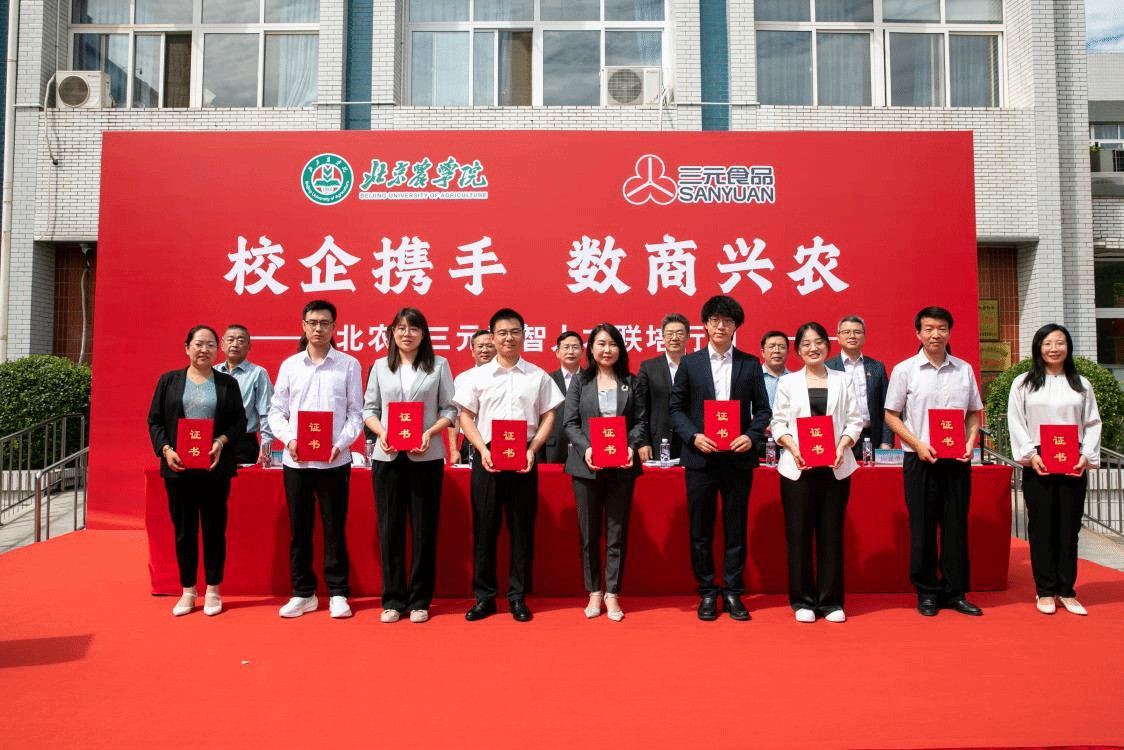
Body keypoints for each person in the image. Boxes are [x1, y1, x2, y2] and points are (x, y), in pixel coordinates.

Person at [454, 308, 565, 622]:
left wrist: (533, 449)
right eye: (502, 332)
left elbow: (549, 415)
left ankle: (518, 597)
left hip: (524, 457)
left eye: (515, 332)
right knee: (484, 528)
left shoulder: (537, 376)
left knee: (521, 529)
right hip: (487, 456)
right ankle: (484, 597)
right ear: (492, 337)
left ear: (524, 335)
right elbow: (465, 416)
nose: (508, 338)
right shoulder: (476, 377)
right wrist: (480, 449)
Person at [670, 295, 772, 621]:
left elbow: (763, 410)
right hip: (700, 459)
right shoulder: (690, 363)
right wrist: (693, 436)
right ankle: (706, 592)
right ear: (705, 324)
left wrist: (752, 436)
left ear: (736, 326)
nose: (720, 326)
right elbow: (676, 409)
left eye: (727, 321)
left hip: (738, 460)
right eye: (714, 320)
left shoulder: (749, 364)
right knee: (700, 529)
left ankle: (732, 592)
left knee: (735, 528)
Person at [885, 306, 984, 617]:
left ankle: (956, 592)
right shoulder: (905, 370)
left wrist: (970, 442)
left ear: (949, 332)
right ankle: (926, 592)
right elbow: (891, 415)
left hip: (957, 460)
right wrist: (917, 443)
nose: (935, 334)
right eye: (928, 329)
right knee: (923, 528)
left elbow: (973, 412)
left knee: (955, 527)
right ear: (918, 333)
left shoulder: (964, 370)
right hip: (920, 460)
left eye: (941, 328)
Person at [268, 300, 364, 619]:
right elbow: (276, 411)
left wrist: (341, 443)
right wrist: (290, 439)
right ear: (303, 326)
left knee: (334, 528)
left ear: (334, 327)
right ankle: (303, 593)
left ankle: (338, 593)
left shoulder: (349, 365)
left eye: (325, 323)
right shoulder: (290, 366)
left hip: (335, 461)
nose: (318, 328)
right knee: (300, 529)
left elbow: (356, 412)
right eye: (313, 322)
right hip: (296, 461)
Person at [363, 308, 456, 624]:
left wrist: (430, 432)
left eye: (414, 328)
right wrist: (382, 432)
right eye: (400, 328)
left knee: (423, 530)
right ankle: (392, 600)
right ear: (392, 332)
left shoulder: (439, 365)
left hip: (425, 457)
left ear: (423, 333)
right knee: (390, 530)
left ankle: (419, 601)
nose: (407, 334)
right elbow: (369, 409)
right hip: (388, 456)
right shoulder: (380, 366)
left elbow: (450, 410)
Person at [147, 325, 247, 617]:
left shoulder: (227, 384)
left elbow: (239, 422)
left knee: (214, 529)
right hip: (178, 468)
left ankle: (213, 589)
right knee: (184, 531)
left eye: (211, 344)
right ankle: (188, 590)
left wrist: (221, 441)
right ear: (187, 347)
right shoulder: (169, 381)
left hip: (214, 468)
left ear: (218, 349)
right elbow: (155, 421)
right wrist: (166, 449)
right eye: (199, 344)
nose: (204, 349)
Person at [770, 322, 863, 623]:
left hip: (835, 467)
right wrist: (793, 448)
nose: (813, 348)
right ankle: (803, 601)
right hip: (797, 468)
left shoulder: (843, 380)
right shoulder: (788, 382)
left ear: (828, 346)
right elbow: (778, 422)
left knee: (831, 535)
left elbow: (855, 420)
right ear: (797, 351)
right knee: (798, 536)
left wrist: (843, 445)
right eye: (806, 344)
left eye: (819, 342)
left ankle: (831, 601)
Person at [1007, 323, 1101, 616]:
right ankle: (1046, 590)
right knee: (1042, 527)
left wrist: (1086, 455)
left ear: (1068, 348)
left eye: (1060, 343)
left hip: (1073, 460)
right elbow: (1016, 421)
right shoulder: (1024, 383)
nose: (1054, 349)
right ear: (1038, 347)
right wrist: (1029, 454)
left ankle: (1067, 591)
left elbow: (1092, 422)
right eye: (1047, 343)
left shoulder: (1081, 384)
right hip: (1039, 460)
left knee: (1069, 528)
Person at [562, 323, 647, 621]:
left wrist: (631, 446)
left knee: (616, 532)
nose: (606, 349)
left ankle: (612, 593)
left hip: (622, 466)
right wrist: (586, 448)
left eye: (612, 344)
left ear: (620, 348)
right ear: (591, 348)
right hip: (586, 467)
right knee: (589, 533)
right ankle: (594, 591)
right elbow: (570, 422)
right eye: (600, 344)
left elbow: (641, 422)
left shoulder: (631, 382)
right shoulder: (580, 382)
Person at [826, 315, 894, 458]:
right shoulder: (828, 367)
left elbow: (887, 408)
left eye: (857, 332)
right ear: (838, 337)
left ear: (864, 337)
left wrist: (886, 442)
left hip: (870, 438)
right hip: (838, 439)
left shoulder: (877, 367)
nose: (852, 336)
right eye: (846, 332)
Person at [215, 324, 274, 465]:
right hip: (214, 441)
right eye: (230, 340)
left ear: (249, 346)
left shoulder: (258, 373)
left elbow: (267, 412)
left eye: (241, 341)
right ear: (222, 344)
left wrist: (265, 448)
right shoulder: (213, 372)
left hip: (244, 443)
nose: (235, 344)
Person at [636, 313, 690, 462]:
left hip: (691, 442)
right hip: (659, 440)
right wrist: (643, 442)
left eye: (680, 333)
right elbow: (640, 408)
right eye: (670, 333)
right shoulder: (648, 368)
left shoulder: (697, 365)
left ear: (688, 336)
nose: (675, 338)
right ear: (663, 337)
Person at [448, 330, 496, 464]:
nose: (485, 350)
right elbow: (455, 417)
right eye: (480, 346)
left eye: (489, 346)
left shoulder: (507, 376)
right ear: (473, 351)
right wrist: (453, 449)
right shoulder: (463, 379)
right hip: (470, 442)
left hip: (500, 440)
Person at [539, 331, 584, 464]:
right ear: (557, 352)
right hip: (554, 449)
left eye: (575, 347)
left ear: (582, 352)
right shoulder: (547, 380)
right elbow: (539, 419)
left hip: (586, 447)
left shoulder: (591, 380)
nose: (571, 351)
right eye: (566, 347)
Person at [760, 330, 791, 408]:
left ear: (787, 352)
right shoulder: (751, 378)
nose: (777, 351)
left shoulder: (795, 380)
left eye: (782, 347)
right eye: (771, 347)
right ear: (763, 353)